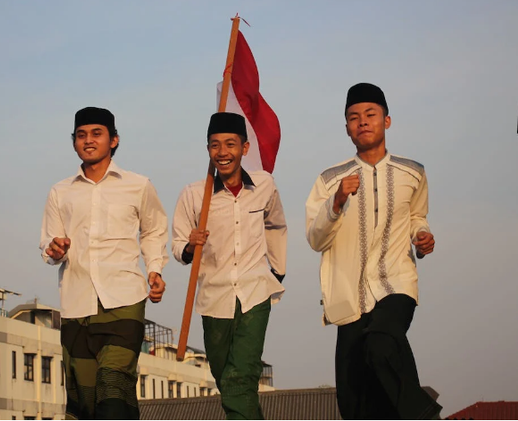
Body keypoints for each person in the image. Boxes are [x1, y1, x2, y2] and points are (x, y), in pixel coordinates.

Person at [305, 83, 443, 419]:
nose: (363, 122)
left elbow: (417, 217)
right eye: (354, 117)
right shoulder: (330, 179)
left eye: (370, 114)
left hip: (397, 284)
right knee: (354, 401)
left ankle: (425, 415)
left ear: (387, 121)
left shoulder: (413, 172)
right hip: (349, 296)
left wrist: (422, 236)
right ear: (347, 128)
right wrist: (337, 201)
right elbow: (315, 239)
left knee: (382, 344)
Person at [40, 107, 168, 420]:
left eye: (97, 134)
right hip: (76, 304)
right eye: (81, 135)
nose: (88, 140)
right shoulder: (60, 192)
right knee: (84, 402)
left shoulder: (138, 185)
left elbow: (153, 230)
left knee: (113, 387)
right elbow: (49, 242)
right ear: (74, 142)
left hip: (124, 300)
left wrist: (154, 269)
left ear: (114, 140)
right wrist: (55, 249)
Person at [172, 112, 287, 420]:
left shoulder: (264, 185)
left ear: (244, 148)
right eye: (215, 145)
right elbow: (177, 245)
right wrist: (190, 245)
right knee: (227, 381)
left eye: (230, 144)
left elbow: (276, 224)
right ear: (208, 149)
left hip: (255, 293)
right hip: (214, 299)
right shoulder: (194, 195)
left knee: (241, 377)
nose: (222, 152)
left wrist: (277, 270)